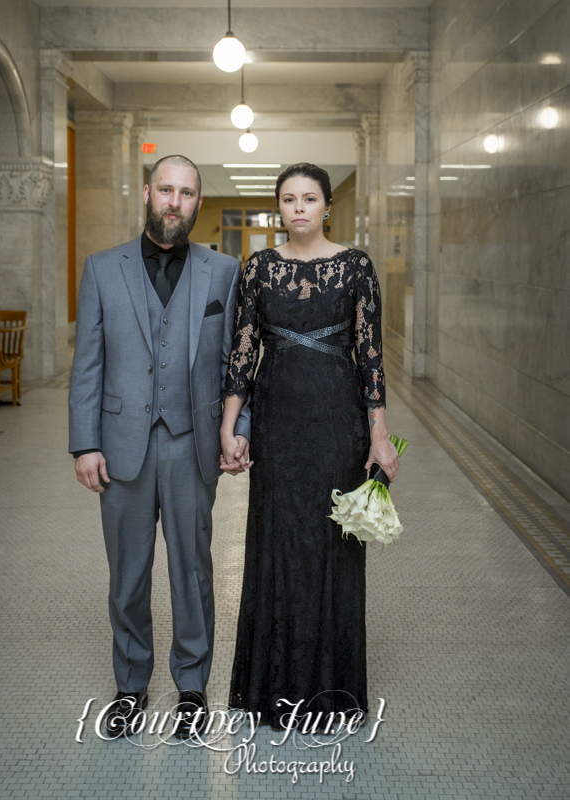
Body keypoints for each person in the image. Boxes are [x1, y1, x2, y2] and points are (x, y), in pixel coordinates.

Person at [69, 155, 251, 738]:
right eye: (166, 190)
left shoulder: (224, 272)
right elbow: (88, 366)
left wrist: (238, 429)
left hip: (190, 444)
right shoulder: (102, 269)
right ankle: (130, 685)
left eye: (188, 193)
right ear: (148, 192)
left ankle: (192, 687)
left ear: (199, 202)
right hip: (120, 445)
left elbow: (238, 366)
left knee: (194, 571)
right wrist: (84, 444)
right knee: (127, 573)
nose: (176, 201)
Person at [220, 162, 399, 729]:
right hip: (277, 423)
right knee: (277, 540)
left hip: (336, 422)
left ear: (326, 206)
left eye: (309, 198)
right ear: (281, 208)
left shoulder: (356, 267)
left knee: (332, 544)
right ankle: (270, 687)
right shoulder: (259, 269)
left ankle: (331, 692)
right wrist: (231, 426)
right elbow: (243, 352)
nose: (299, 208)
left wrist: (379, 434)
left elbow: (371, 357)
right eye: (289, 199)